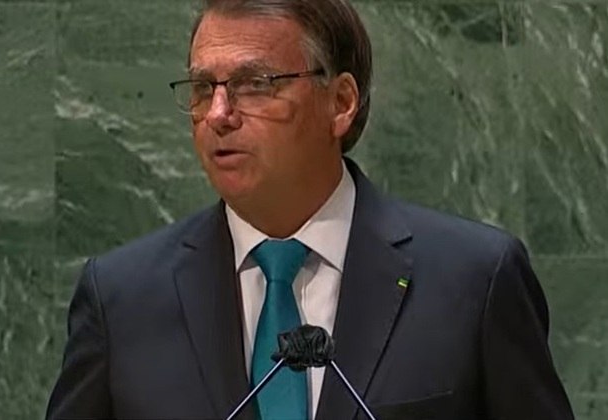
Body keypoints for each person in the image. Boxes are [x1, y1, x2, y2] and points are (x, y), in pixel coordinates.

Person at [45, 0, 574, 419]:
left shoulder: (475, 280)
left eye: (255, 84)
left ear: (340, 103)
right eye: (204, 88)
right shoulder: (121, 299)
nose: (219, 114)